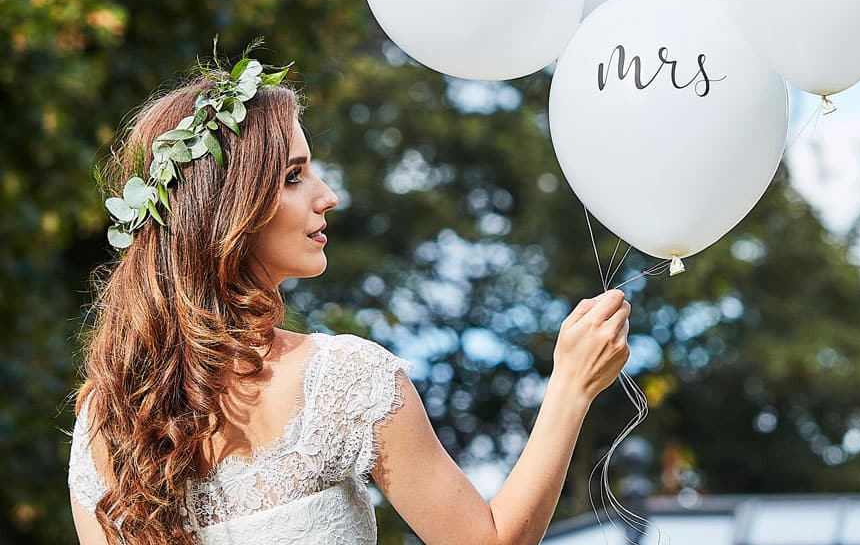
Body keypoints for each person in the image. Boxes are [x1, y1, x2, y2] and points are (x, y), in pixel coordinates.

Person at [68, 54, 631, 544]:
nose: (327, 196)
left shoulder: (107, 417)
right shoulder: (343, 380)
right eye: (293, 176)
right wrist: (570, 386)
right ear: (227, 210)